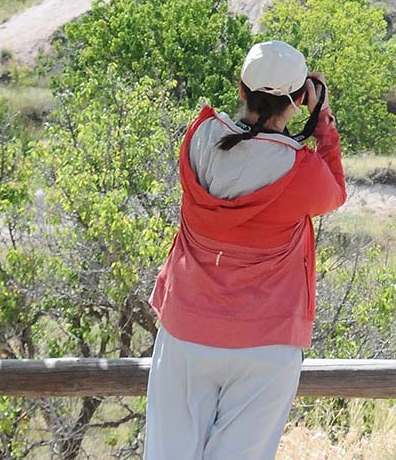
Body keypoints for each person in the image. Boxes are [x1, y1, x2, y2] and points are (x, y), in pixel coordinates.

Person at [145, 40, 346, 459]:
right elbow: (335, 194)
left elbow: (240, 148)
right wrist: (322, 120)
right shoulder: (300, 169)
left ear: (241, 88)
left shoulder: (199, 138)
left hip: (185, 327)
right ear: (299, 99)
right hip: (266, 342)